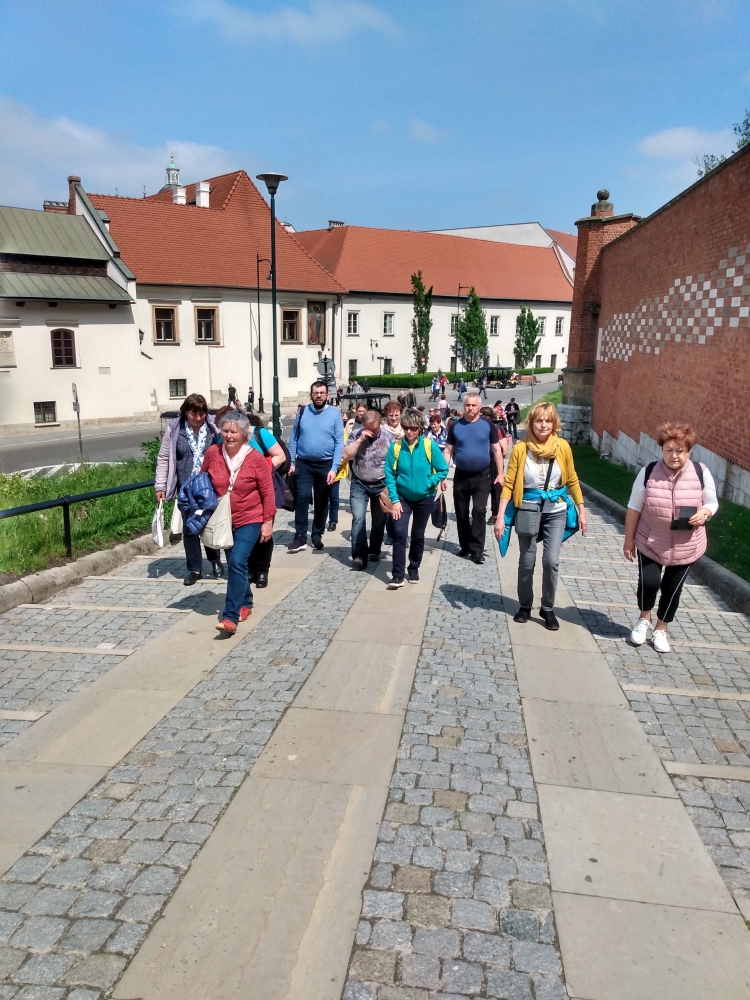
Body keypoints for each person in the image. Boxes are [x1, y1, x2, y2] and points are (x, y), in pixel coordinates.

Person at [623, 423, 717, 653]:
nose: (674, 456)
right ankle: (644, 618)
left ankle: (661, 628)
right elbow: (634, 507)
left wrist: (705, 513)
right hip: (651, 541)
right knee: (649, 583)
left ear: (689, 451)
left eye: (680, 451)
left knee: (672, 589)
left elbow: (712, 502)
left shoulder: (700, 472)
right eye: (669, 450)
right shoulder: (648, 472)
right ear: (661, 450)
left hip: (687, 545)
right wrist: (629, 541)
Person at [494, 402, 587, 630]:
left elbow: (572, 479)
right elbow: (509, 483)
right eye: (539, 420)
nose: (543, 425)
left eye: (548, 420)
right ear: (531, 423)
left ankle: (547, 607)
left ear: (554, 424)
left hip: (556, 512)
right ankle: (525, 605)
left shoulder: (562, 447)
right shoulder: (521, 449)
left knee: (551, 561)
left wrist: (582, 511)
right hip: (528, 510)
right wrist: (500, 516)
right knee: (527, 561)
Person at [202, 410, 275, 634]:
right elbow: (203, 479)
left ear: (244, 434)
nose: (229, 435)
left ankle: (230, 617)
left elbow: (268, 492)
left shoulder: (255, 459)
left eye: (234, 432)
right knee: (237, 565)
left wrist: (267, 521)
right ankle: (246, 600)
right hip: (224, 519)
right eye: (225, 431)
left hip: (250, 517)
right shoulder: (213, 453)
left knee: (236, 561)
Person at [155, 393, 223, 586]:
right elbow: (164, 457)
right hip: (185, 488)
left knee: (208, 524)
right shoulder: (175, 428)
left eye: (202, 413)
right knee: (190, 529)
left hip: (209, 486)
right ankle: (195, 569)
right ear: (185, 412)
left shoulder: (212, 427)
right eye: (194, 413)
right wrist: (160, 485)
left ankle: (215, 560)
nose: (199, 417)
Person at [384, 409, 449, 588]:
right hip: (402, 497)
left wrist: (430, 482)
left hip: (425, 498)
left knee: (418, 535)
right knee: (399, 532)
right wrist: (394, 500)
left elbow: (443, 469)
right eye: (406, 428)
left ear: (420, 428)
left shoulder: (429, 446)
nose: (409, 431)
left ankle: (413, 568)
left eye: (413, 428)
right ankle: (397, 575)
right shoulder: (396, 447)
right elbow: (389, 474)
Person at [443, 392, 505, 564]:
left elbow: (496, 450)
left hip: (482, 475)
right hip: (461, 475)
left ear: (479, 407)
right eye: (467, 405)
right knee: (461, 512)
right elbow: (448, 451)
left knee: (479, 510)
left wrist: (500, 474)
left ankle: (477, 549)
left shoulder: (487, 425)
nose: (470, 408)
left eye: (473, 405)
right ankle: (465, 546)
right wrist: (442, 475)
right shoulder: (456, 426)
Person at [287, 381, 343, 552]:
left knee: (321, 501)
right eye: (315, 393)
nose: (319, 396)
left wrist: (334, 468)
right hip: (304, 463)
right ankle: (300, 537)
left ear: (327, 395)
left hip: (326, 464)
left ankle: (317, 534)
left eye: (322, 393)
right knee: (302, 497)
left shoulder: (335, 415)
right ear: (311, 394)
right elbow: (294, 437)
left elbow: (339, 442)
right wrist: (291, 462)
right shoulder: (303, 412)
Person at [343, 409, 393, 569]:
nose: (371, 432)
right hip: (359, 483)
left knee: (379, 520)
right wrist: (360, 440)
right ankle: (359, 555)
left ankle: (374, 550)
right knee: (358, 518)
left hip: (381, 484)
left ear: (380, 423)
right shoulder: (356, 434)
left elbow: (395, 463)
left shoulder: (388, 437)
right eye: (368, 429)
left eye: (374, 429)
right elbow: (346, 455)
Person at [246, 413, 287, 588]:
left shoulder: (259, 434)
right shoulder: (224, 438)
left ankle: (262, 570)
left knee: (265, 530)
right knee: (247, 532)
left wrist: (260, 470)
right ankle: (250, 569)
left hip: (265, 488)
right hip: (242, 493)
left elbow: (280, 456)